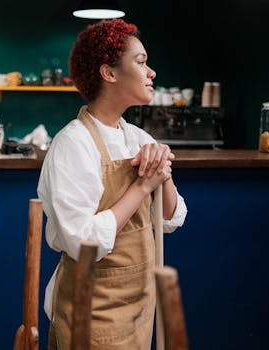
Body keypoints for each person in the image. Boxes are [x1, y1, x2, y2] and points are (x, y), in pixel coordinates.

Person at [37, 19, 187, 350]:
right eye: (142, 62)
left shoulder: (138, 138)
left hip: (139, 305)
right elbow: (82, 241)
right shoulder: (72, 144)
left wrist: (164, 172)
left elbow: (170, 219)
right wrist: (142, 188)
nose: (152, 73)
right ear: (109, 73)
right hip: (91, 311)